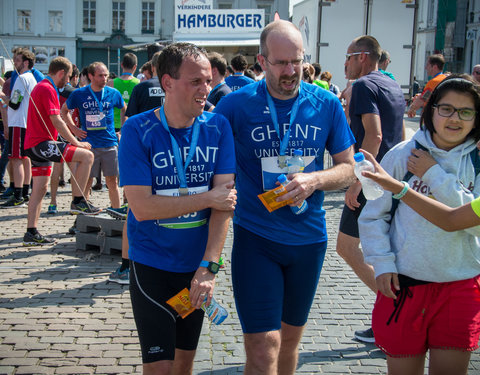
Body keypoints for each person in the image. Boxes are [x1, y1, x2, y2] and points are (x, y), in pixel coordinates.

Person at [215, 20, 356, 374]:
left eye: (297, 61)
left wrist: (315, 180)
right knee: (264, 346)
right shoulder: (235, 106)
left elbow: (349, 168)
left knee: (290, 342)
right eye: (281, 63)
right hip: (255, 238)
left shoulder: (326, 103)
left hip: (309, 240)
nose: (291, 71)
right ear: (262, 62)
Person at [119, 42, 237, 374]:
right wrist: (206, 198)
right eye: (196, 82)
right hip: (152, 266)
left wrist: (209, 268)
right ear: (167, 83)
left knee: (184, 366)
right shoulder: (138, 130)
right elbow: (141, 208)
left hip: (196, 269)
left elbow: (224, 204)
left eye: (209, 80)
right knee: (159, 369)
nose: (206, 89)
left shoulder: (217, 127)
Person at [359, 74, 480, 375]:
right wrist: (383, 263)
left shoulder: (477, 160)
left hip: (460, 285)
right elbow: (374, 215)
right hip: (405, 286)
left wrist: (434, 174)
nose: (455, 119)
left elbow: (471, 222)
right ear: (431, 111)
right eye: (447, 109)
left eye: (466, 112)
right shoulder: (403, 154)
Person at [336, 35, 405, 343]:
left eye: (349, 57)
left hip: (372, 182)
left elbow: (374, 136)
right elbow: (401, 136)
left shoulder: (363, 86)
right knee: (381, 251)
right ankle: (391, 315)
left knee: (347, 248)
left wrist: (357, 182)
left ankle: (396, 308)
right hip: (389, 181)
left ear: (363, 57)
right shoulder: (391, 83)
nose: (345, 63)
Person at [23, 57, 95, 245]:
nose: (70, 80)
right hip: (41, 144)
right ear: (62, 73)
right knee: (87, 155)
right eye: (69, 76)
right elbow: (57, 120)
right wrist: (75, 142)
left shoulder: (43, 86)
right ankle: (78, 200)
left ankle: (31, 232)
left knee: (40, 188)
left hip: (35, 144)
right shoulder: (47, 88)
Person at [108, 51, 165, 285]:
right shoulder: (182, 87)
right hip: (170, 155)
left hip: (143, 154)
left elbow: (130, 119)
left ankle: (126, 266)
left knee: (134, 210)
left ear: (151, 68)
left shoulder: (143, 87)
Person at [361, 148, 480, 231]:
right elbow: (450, 219)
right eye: (446, 109)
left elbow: (451, 221)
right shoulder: (403, 152)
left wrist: (431, 173)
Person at [62, 62, 126, 214]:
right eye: (100, 75)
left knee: (112, 181)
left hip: (109, 143)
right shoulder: (79, 94)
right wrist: (74, 129)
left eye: (106, 75)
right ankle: (81, 216)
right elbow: (63, 111)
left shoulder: (113, 93)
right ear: (90, 76)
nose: (104, 78)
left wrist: (122, 130)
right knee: (87, 182)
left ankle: (117, 213)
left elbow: (124, 108)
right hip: (88, 145)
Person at [0, 49, 37, 208]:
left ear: (26, 62)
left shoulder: (22, 78)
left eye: (17, 60)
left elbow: (15, 103)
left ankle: (18, 195)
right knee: (25, 159)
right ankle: (25, 193)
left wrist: (2, 96)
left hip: (18, 123)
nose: (15, 62)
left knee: (16, 159)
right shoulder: (31, 78)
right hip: (26, 123)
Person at [108, 53, 139, 137]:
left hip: (113, 125)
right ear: (135, 67)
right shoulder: (139, 83)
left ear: (121, 65)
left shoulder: (111, 83)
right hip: (131, 125)